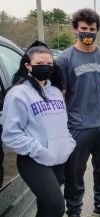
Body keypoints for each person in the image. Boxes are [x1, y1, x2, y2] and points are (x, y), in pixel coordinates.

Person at [56, 8, 100, 217]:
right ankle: (74, 211)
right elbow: (61, 95)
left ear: (97, 30)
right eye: (83, 28)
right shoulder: (64, 60)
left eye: (92, 29)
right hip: (78, 126)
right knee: (75, 173)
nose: (88, 32)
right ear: (75, 29)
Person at [1, 41, 76, 217]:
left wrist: (69, 143)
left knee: (45, 207)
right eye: (39, 64)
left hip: (58, 158)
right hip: (34, 159)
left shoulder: (55, 92)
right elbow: (11, 134)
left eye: (49, 64)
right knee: (56, 207)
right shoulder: (18, 94)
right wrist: (39, 151)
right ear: (28, 65)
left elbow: (62, 124)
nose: (46, 67)